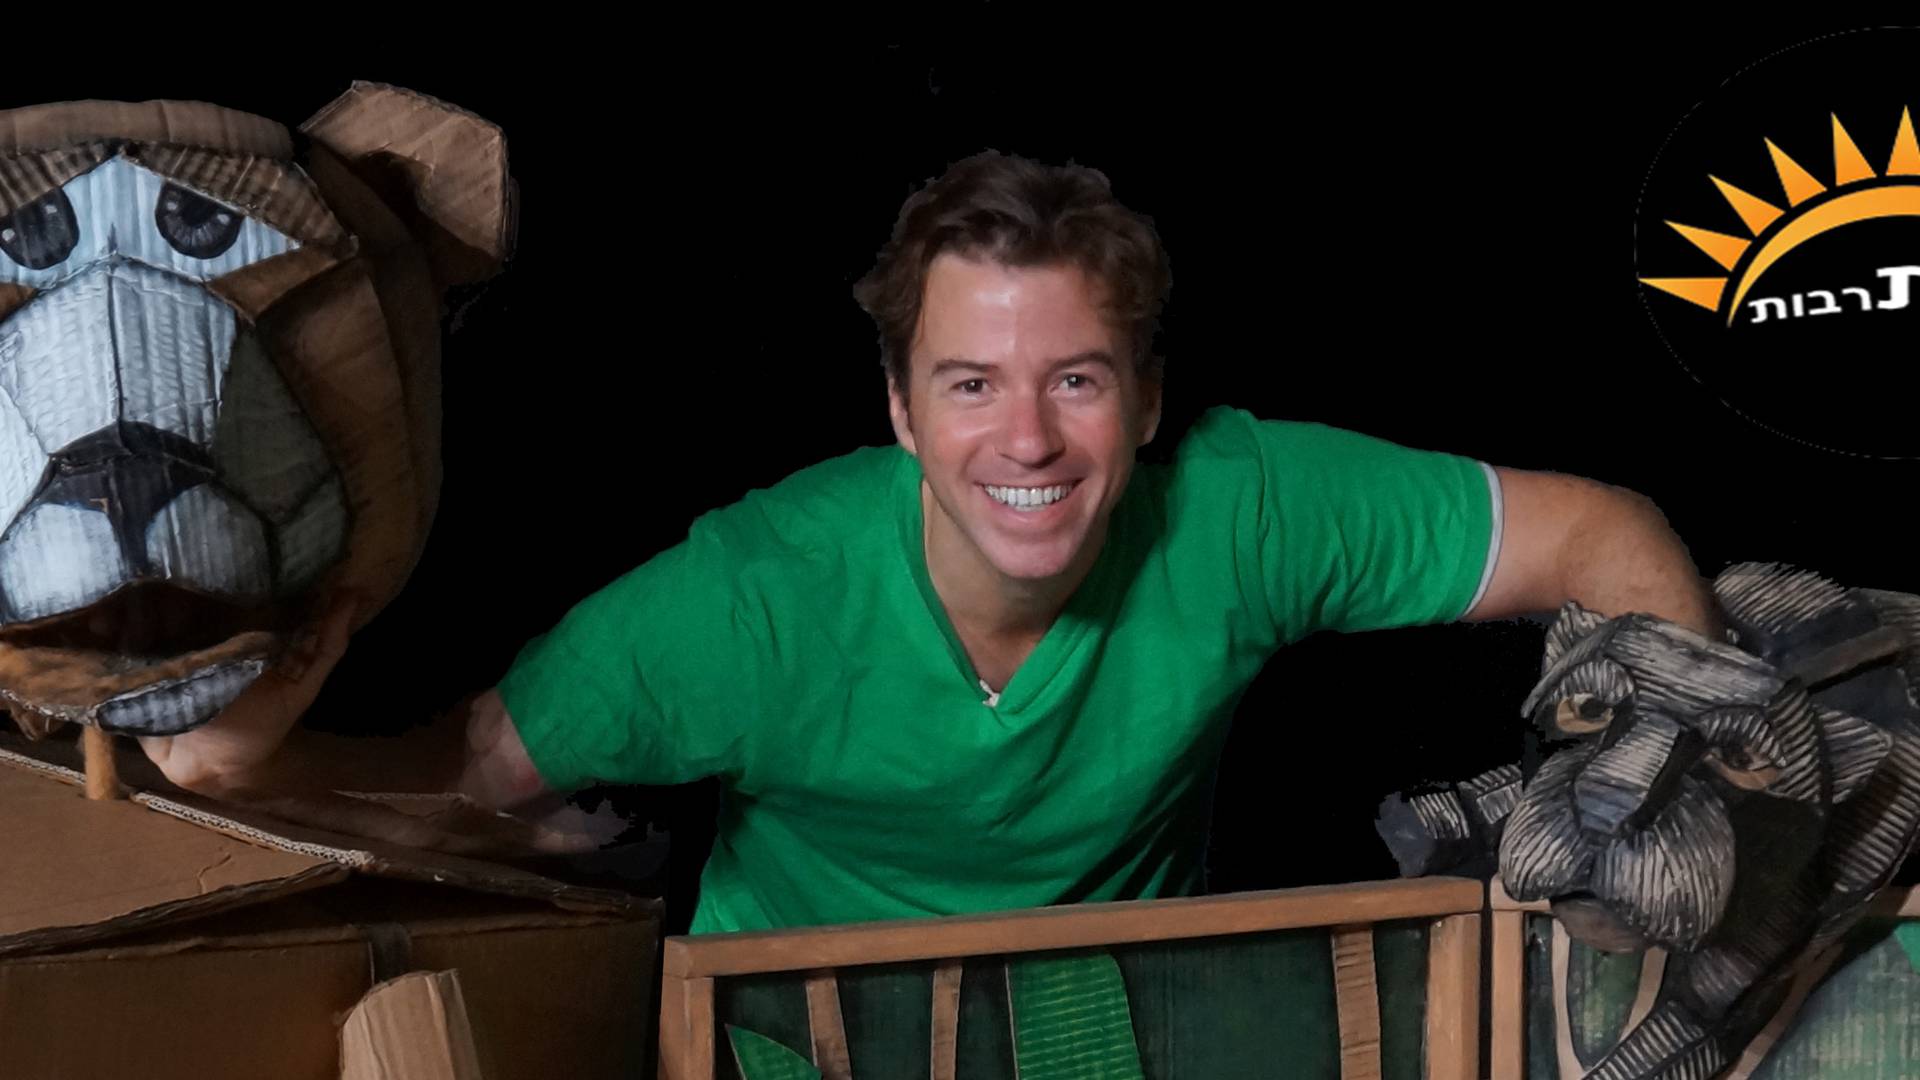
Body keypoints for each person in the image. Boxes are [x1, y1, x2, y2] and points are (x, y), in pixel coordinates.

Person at [137, 151, 1723, 933]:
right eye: (971, 384)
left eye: (1075, 380)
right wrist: (231, 760)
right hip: (791, 1037)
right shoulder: (746, 603)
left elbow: (1603, 529)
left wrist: (1688, 776)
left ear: (1146, 402)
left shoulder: (1241, 506)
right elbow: (452, 788)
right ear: (900, 409)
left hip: (1103, 1025)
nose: (1025, 441)